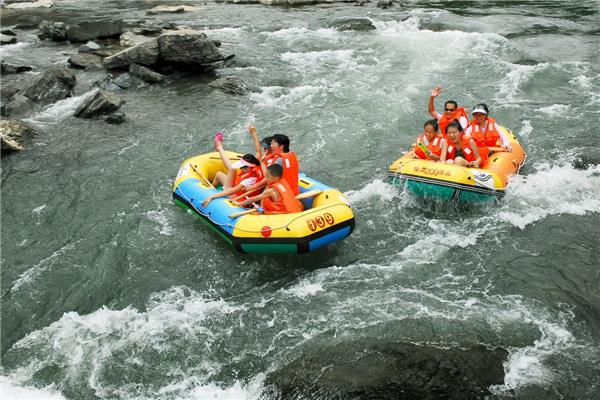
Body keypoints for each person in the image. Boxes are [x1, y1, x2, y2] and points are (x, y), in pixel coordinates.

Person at [202, 134, 264, 208]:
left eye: (241, 167)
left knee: (230, 170)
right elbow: (258, 150)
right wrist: (253, 133)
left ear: (248, 168)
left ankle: (220, 148)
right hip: (236, 188)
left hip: (236, 196)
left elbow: (230, 191)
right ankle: (211, 189)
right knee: (219, 174)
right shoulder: (258, 164)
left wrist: (212, 196)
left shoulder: (249, 180)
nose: (240, 169)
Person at [235, 164, 303, 214]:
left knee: (255, 213)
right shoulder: (282, 181)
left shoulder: (270, 191)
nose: (265, 178)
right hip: (294, 210)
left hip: (283, 214)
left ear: (275, 178)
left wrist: (238, 203)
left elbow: (252, 199)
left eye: (267, 177)